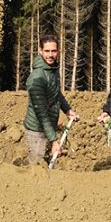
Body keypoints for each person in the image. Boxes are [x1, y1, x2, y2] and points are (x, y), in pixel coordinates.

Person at [24, 35, 80, 165]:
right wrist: (54, 140)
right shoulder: (37, 78)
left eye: (53, 51)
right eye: (47, 51)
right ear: (40, 51)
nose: (50, 55)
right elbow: (41, 113)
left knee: (47, 164)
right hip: (37, 130)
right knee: (36, 169)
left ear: (58, 51)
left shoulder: (52, 69)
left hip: (49, 127)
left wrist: (67, 110)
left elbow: (56, 93)